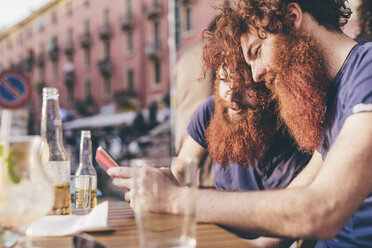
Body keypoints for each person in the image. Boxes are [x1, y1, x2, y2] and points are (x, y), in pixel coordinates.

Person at [110, 0, 372, 246]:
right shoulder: (330, 100)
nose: (256, 74)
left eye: (256, 52)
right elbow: (301, 198)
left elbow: (321, 211)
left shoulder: (367, 71)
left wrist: (177, 199)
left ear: (292, 19)